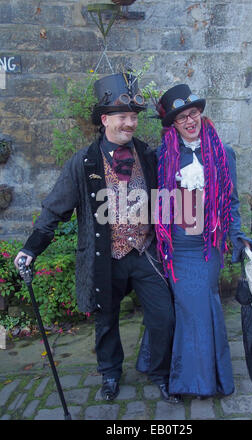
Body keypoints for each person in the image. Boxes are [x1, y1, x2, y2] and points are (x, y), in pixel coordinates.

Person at [14, 73, 181, 404]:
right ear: (105, 119)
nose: (130, 123)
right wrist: (30, 249)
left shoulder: (147, 155)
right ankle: (110, 374)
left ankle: (161, 373)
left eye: (133, 117)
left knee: (164, 317)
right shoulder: (84, 162)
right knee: (106, 321)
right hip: (106, 257)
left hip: (146, 253)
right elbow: (55, 208)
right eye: (123, 117)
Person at [136, 84, 252, 399]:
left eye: (193, 113)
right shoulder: (161, 156)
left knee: (200, 304)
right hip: (175, 246)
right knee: (183, 307)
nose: (190, 121)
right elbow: (151, 199)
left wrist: (237, 235)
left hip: (207, 246)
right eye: (181, 118)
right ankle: (181, 374)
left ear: (201, 113)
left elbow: (230, 202)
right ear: (173, 124)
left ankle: (199, 378)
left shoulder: (222, 152)